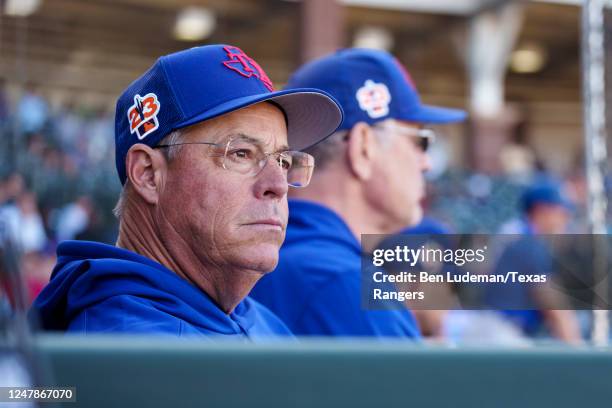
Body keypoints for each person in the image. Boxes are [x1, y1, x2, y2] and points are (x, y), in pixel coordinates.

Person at [30, 44, 343, 338]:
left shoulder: (250, 314)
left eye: (284, 160)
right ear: (149, 174)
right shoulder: (128, 348)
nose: (277, 185)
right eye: (241, 154)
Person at [251, 48, 466, 337]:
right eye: (421, 141)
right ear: (363, 147)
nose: (426, 163)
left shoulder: (251, 259)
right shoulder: (344, 281)